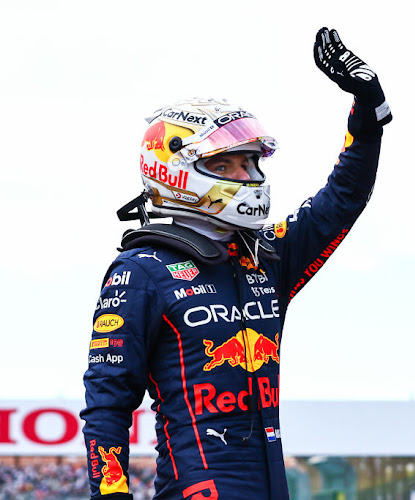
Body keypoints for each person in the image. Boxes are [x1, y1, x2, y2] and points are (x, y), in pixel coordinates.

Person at [80, 27, 391, 499]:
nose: (249, 176)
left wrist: (369, 115)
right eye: (230, 166)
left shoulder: (267, 255)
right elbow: (107, 406)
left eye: (251, 163)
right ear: (177, 170)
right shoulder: (140, 270)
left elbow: (343, 199)